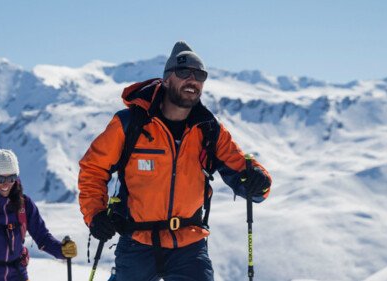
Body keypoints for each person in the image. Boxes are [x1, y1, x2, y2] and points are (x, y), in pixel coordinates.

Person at [77, 41, 273, 281]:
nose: (192, 80)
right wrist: (95, 214)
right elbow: (93, 169)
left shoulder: (209, 131)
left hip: (189, 244)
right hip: (137, 242)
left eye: (199, 75)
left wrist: (259, 181)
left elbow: (245, 173)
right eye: (184, 72)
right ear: (167, 79)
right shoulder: (131, 124)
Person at [0, 149, 78, 281]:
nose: (6, 184)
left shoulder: (25, 205)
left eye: (11, 178)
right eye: (0, 179)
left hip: (18, 275)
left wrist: (61, 251)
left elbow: (42, 237)